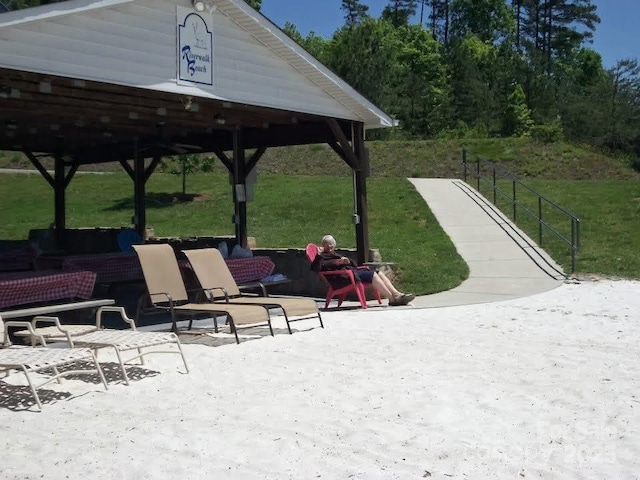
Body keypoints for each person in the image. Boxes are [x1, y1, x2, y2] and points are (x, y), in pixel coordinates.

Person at [311, 234, 415, 306]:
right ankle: (392, 299)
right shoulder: (322, 257)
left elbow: (354, 265)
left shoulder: (335, 254)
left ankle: (396, 294)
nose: (329, 246)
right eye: (327, 244)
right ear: (323, 245)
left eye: (331, 244)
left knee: (379, 273)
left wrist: (348, 262)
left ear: (334, 245)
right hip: (343, 278)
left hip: (352, 273)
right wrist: (321, 257)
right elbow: (316, 268)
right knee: (373, 275)